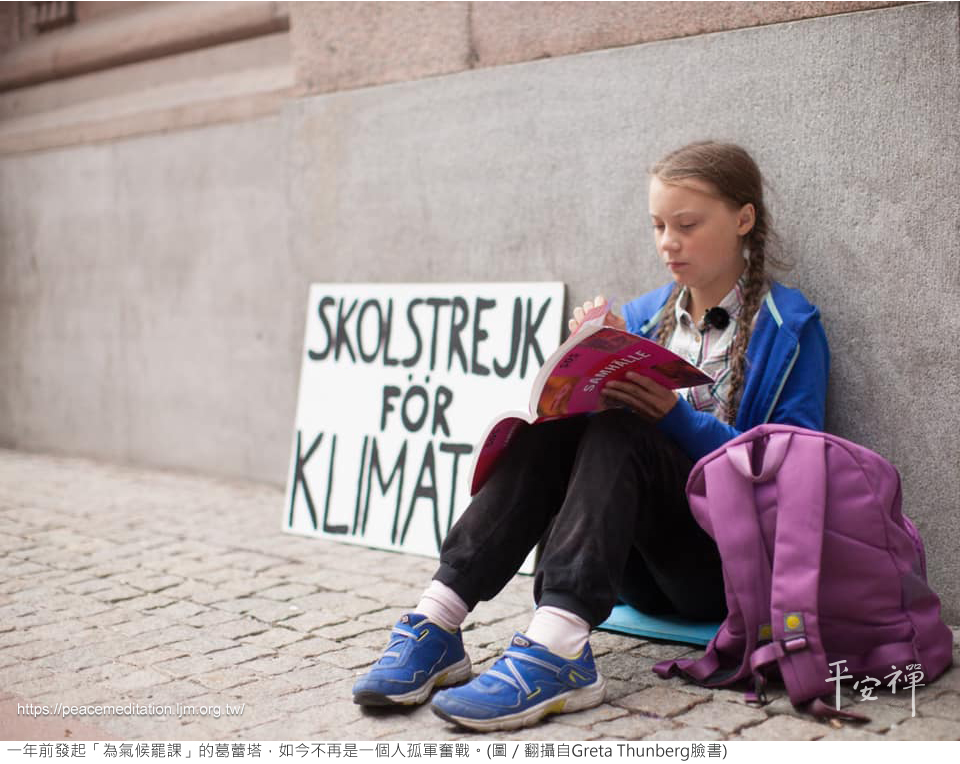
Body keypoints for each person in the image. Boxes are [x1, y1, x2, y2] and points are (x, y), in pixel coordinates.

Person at [350, 141, 830, 732]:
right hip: (633, 570)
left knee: (629, 426)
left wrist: (676, 418)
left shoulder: (790, 327)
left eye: (687, 225)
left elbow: (797, 470)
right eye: (658, 226)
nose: (668, 243)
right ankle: (438, 619)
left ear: (743, 219)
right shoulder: (645, 316)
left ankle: (558, 649)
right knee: (556, 426)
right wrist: (585, 371)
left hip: (721, 571)